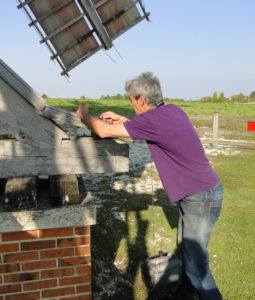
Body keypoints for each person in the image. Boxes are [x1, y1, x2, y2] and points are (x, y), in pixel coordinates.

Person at [76, 72, 223, 300]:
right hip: (201, 194)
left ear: (142, 100)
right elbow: (144, 129)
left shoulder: (154, 121)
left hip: (200, 198)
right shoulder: (171, 111)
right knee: (187, 254)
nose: (131, 105)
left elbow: (103, 130)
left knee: (196, 266)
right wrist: (123, 120)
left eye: (132, 101)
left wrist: (85, 116)